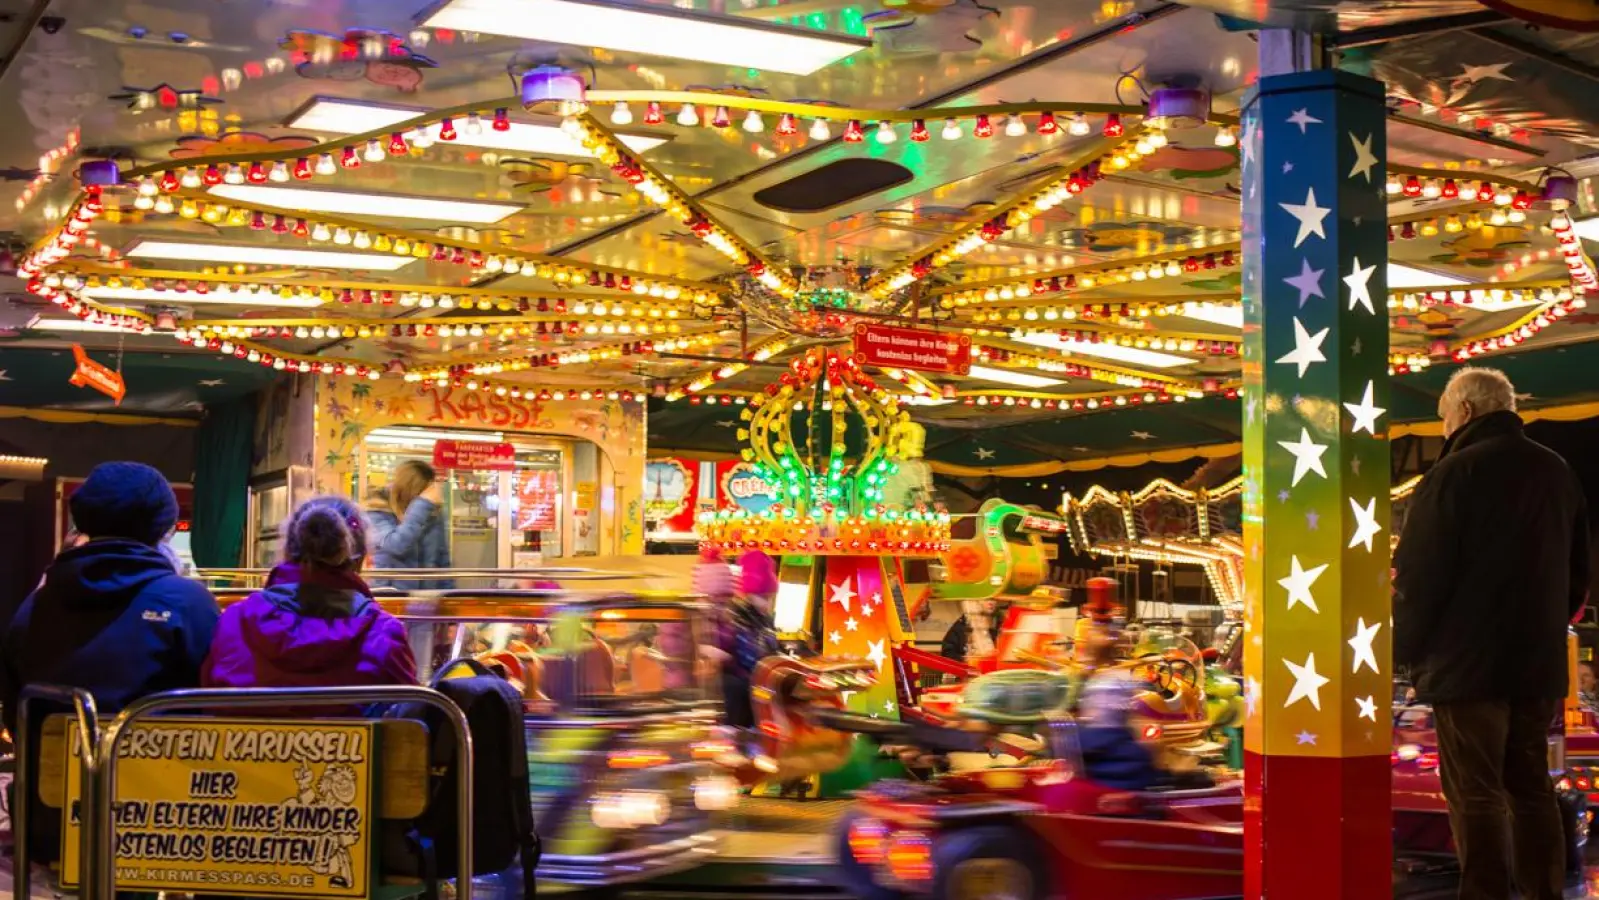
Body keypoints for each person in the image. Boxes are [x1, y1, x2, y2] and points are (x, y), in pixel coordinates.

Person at [1394, 367, 1590, 900]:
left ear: (1466, 412)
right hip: (1537, 665)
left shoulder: (1452, 473)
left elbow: (1420, 576)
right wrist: (1546, 628)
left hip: (1466, 668)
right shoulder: (1557, 471)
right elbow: (1579, 573)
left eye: (1442, 419)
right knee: (1530, 788)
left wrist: (1403, 652)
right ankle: (1545, 891)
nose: (1441, 430)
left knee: (1475, 792)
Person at [0, 462, 219, 863]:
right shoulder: (187, 602)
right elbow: (214, 712)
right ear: (164, 526)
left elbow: (16, 713)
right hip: (161, 826)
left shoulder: (37, 603)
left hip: (49, 821)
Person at [202, 496, 417, 708]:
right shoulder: (382, 633)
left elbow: (208, 698)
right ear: (359, 558)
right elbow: (411, 720)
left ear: (287, 549)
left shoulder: (236, 621)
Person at [367, 460, 450, 589]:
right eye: (426, 491)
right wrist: (421, 505)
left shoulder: (432, 512)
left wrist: (450, 596)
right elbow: (396, 545)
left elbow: (442, 559)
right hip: (391, 596)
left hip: (427, 598)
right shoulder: (378, 510)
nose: (431, 495)